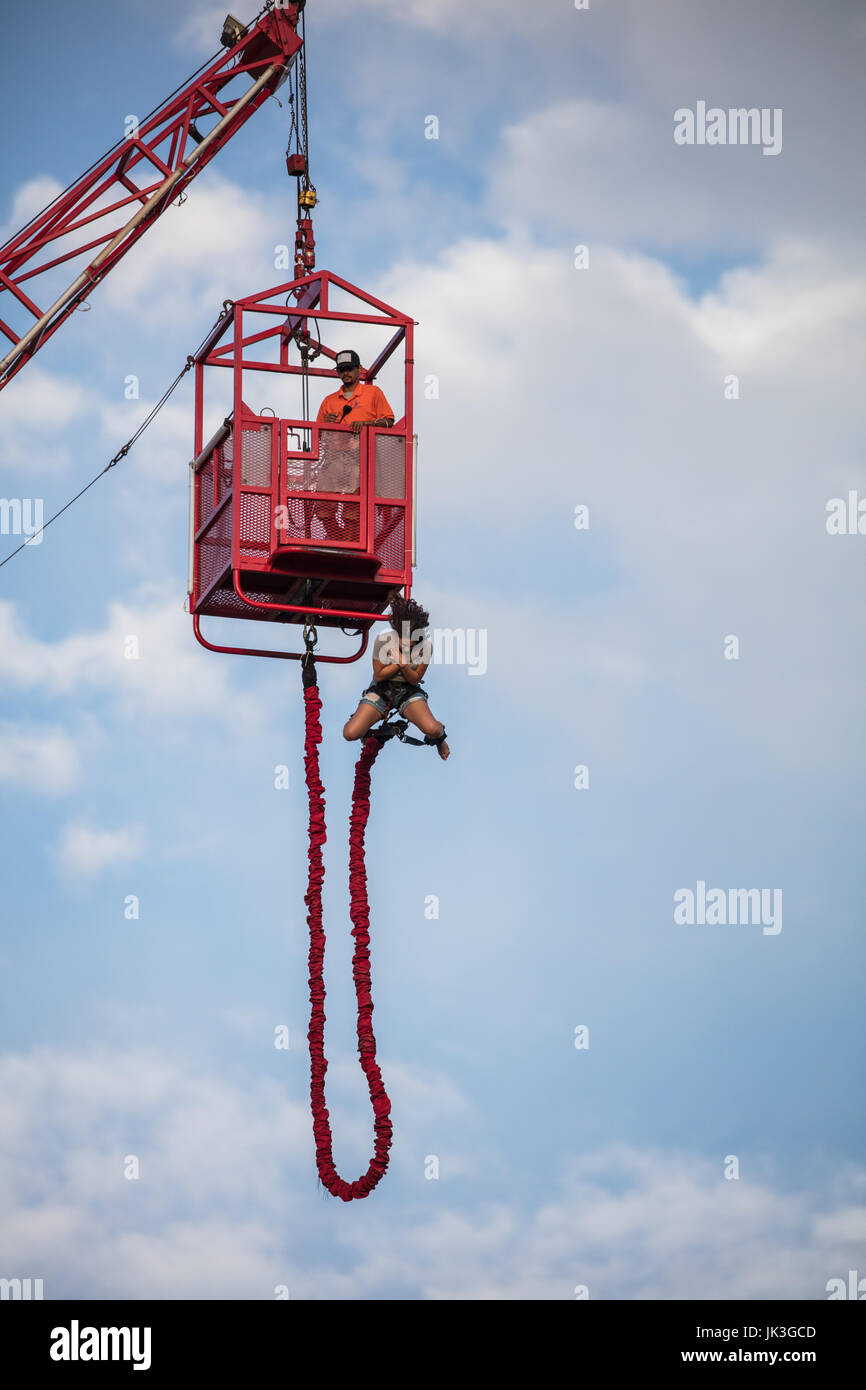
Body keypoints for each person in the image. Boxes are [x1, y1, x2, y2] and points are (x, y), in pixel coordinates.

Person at [343, 596, 450, 761]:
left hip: (408, 691)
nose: (405, 645)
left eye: (410, 642)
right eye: (401, 641)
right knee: (351, 733)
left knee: (433, 729)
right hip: (381, 689)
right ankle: (366, 727)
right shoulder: (383, 641)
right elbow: (379, 674)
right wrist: (400, 663)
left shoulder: (426, 647)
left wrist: (402, 662)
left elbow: (415, 679)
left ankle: (440, 736)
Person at [312, 350, 395, 540]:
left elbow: (389, 421)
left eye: (349, 369)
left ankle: (346, 541)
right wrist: (325, 424)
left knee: (354, 507)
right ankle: (339, 539)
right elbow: (317, 436)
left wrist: (368, 425)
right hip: (334, 458)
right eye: (341, 370)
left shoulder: (373, 393)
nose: (345, 373)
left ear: (359, 369)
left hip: (361, 459)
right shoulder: (329, 400)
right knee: (323, 503)